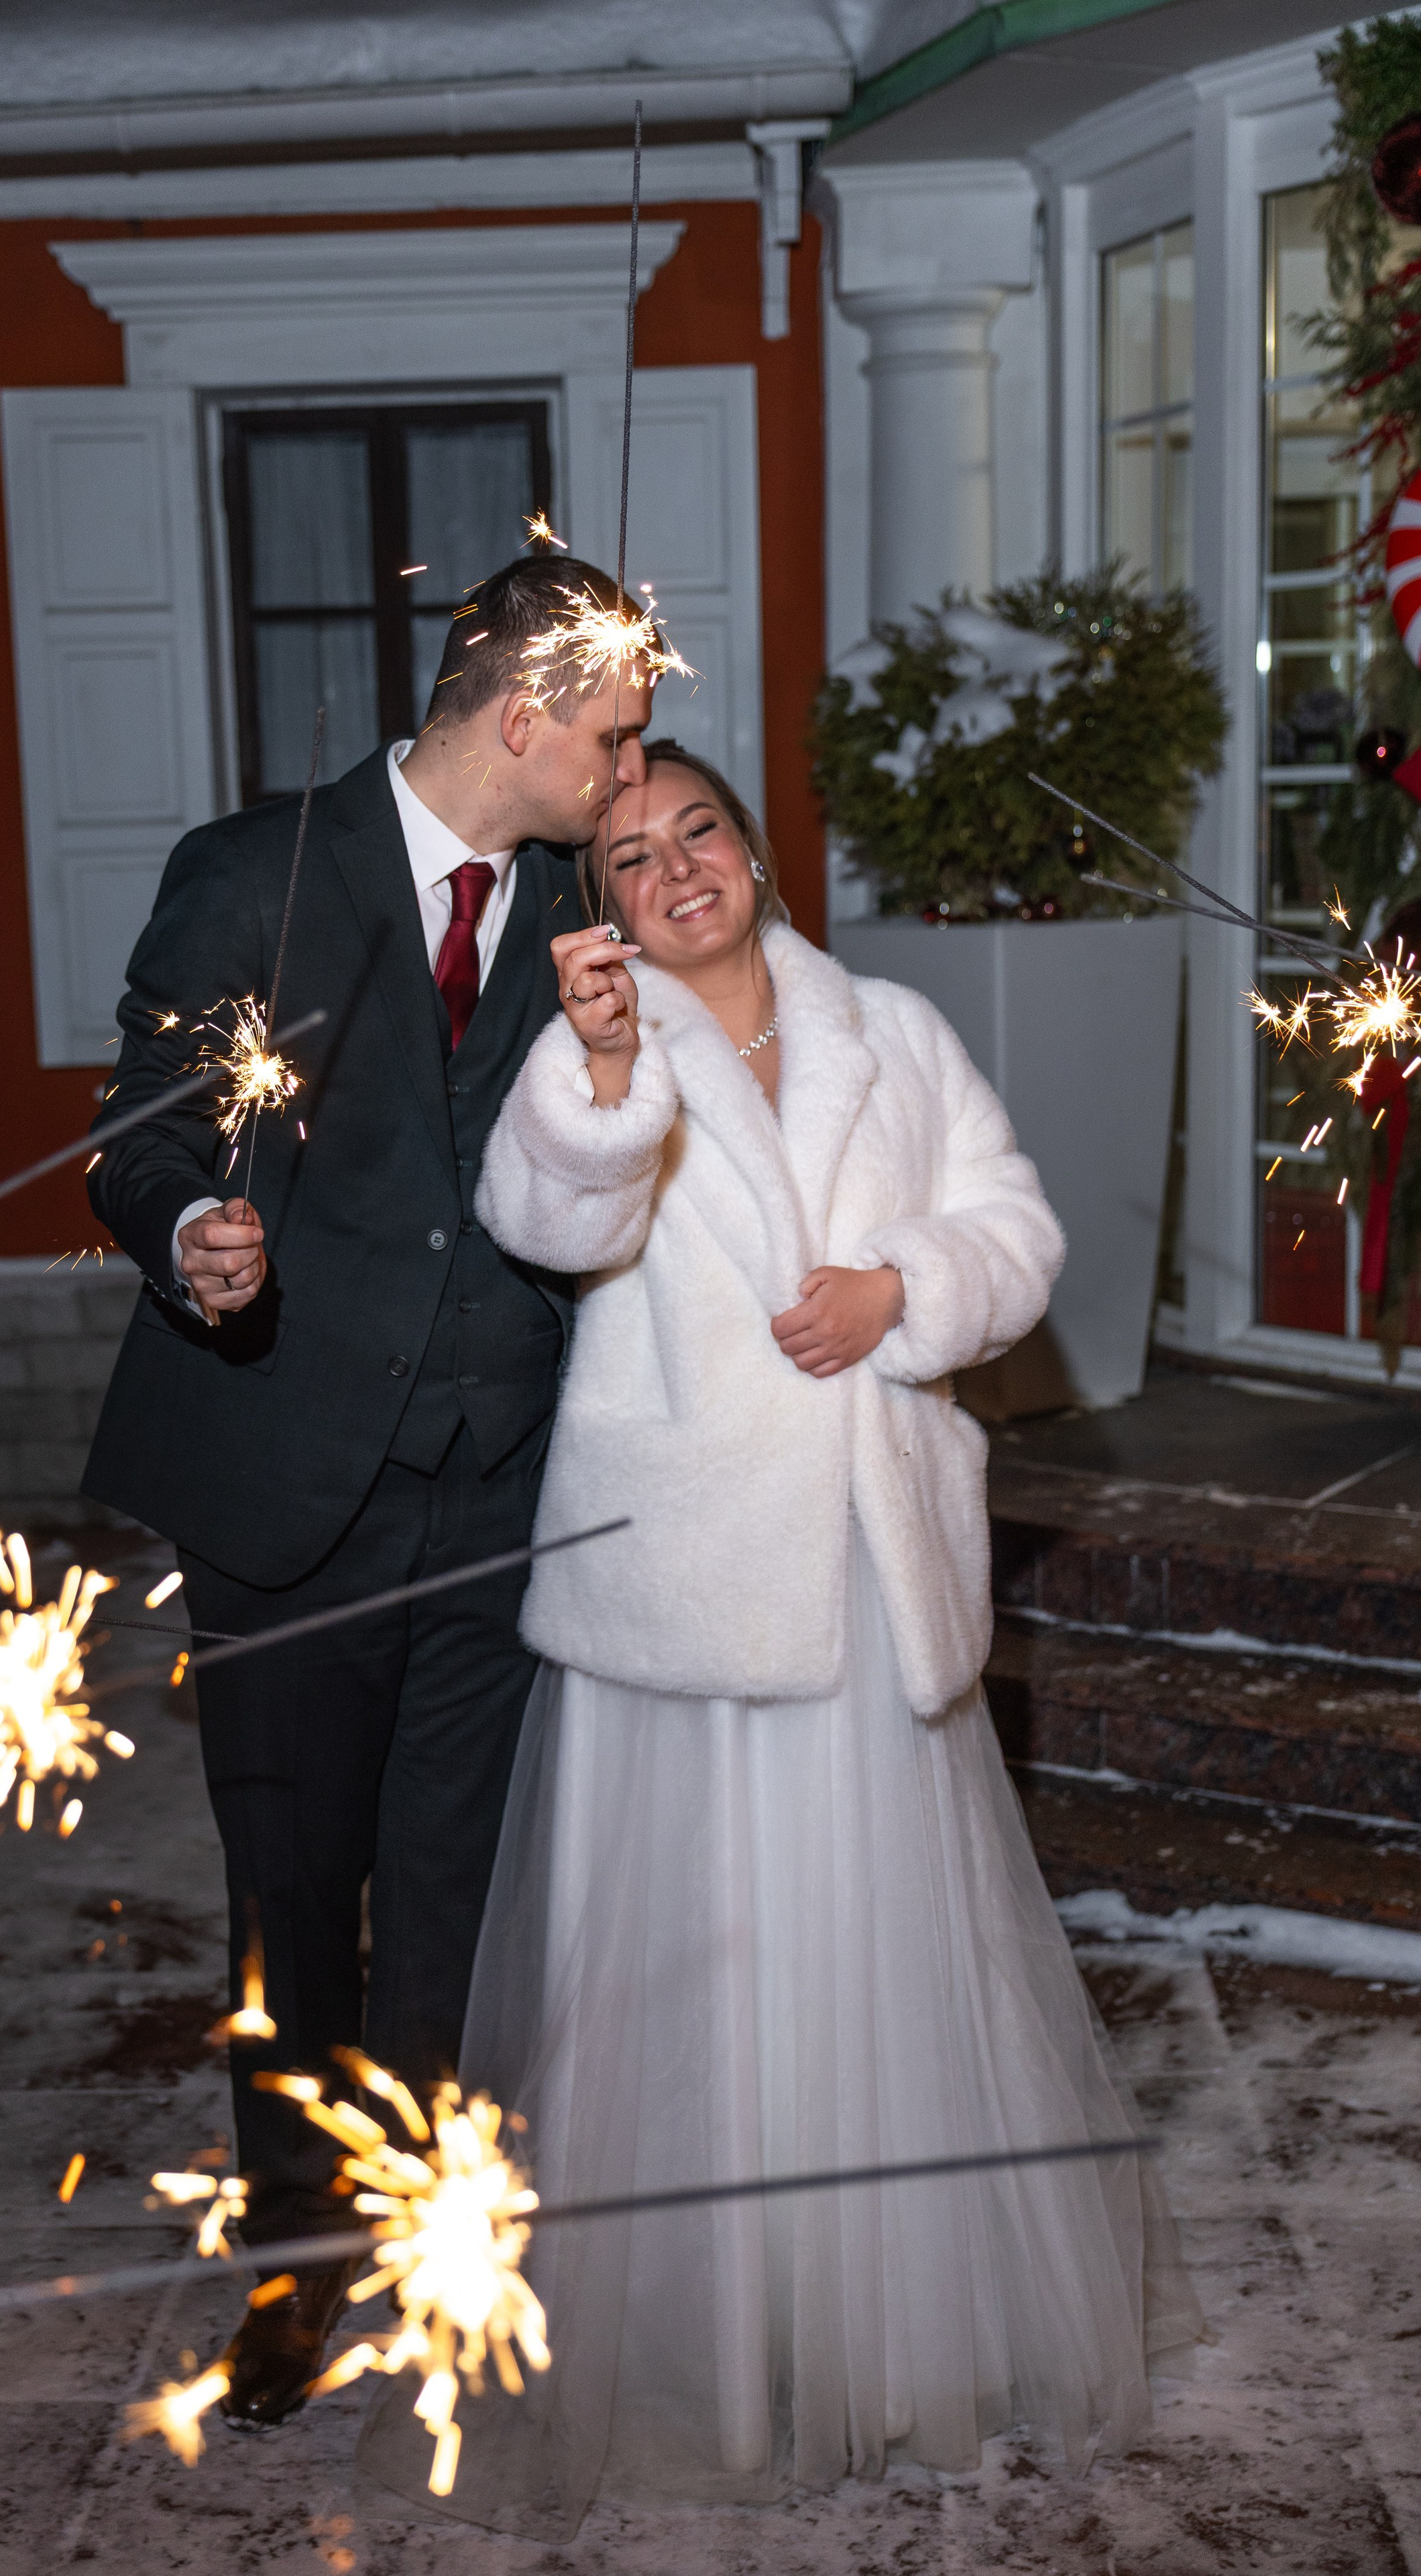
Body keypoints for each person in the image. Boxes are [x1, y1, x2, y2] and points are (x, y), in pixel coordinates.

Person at [359, 742, 1198, 2532]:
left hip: (871, 1562)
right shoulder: (599, 1055)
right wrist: (597, 1072)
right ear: (599, 910)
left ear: (751, 849)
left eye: (700, 835)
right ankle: (703, 2350)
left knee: (883, 1970)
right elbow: (544, 1218)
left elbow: (1019, 1228)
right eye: (634, 859)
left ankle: (881, 2334)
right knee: (695, 1986)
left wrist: (905, 1293)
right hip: (680, 1592)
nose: (676, 874)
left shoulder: (889, 1025)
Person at [80, 553, 656, 2428]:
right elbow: (138, 1136)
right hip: (283, 1484)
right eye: (614, 731)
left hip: (503, 1486)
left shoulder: (590, 892)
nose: (631, 767)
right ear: (522, 713)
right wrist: (189, 1234)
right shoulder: (255, 872)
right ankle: (294, 2271)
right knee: (292, 1903)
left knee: (453, 1902)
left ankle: (436, 2249)